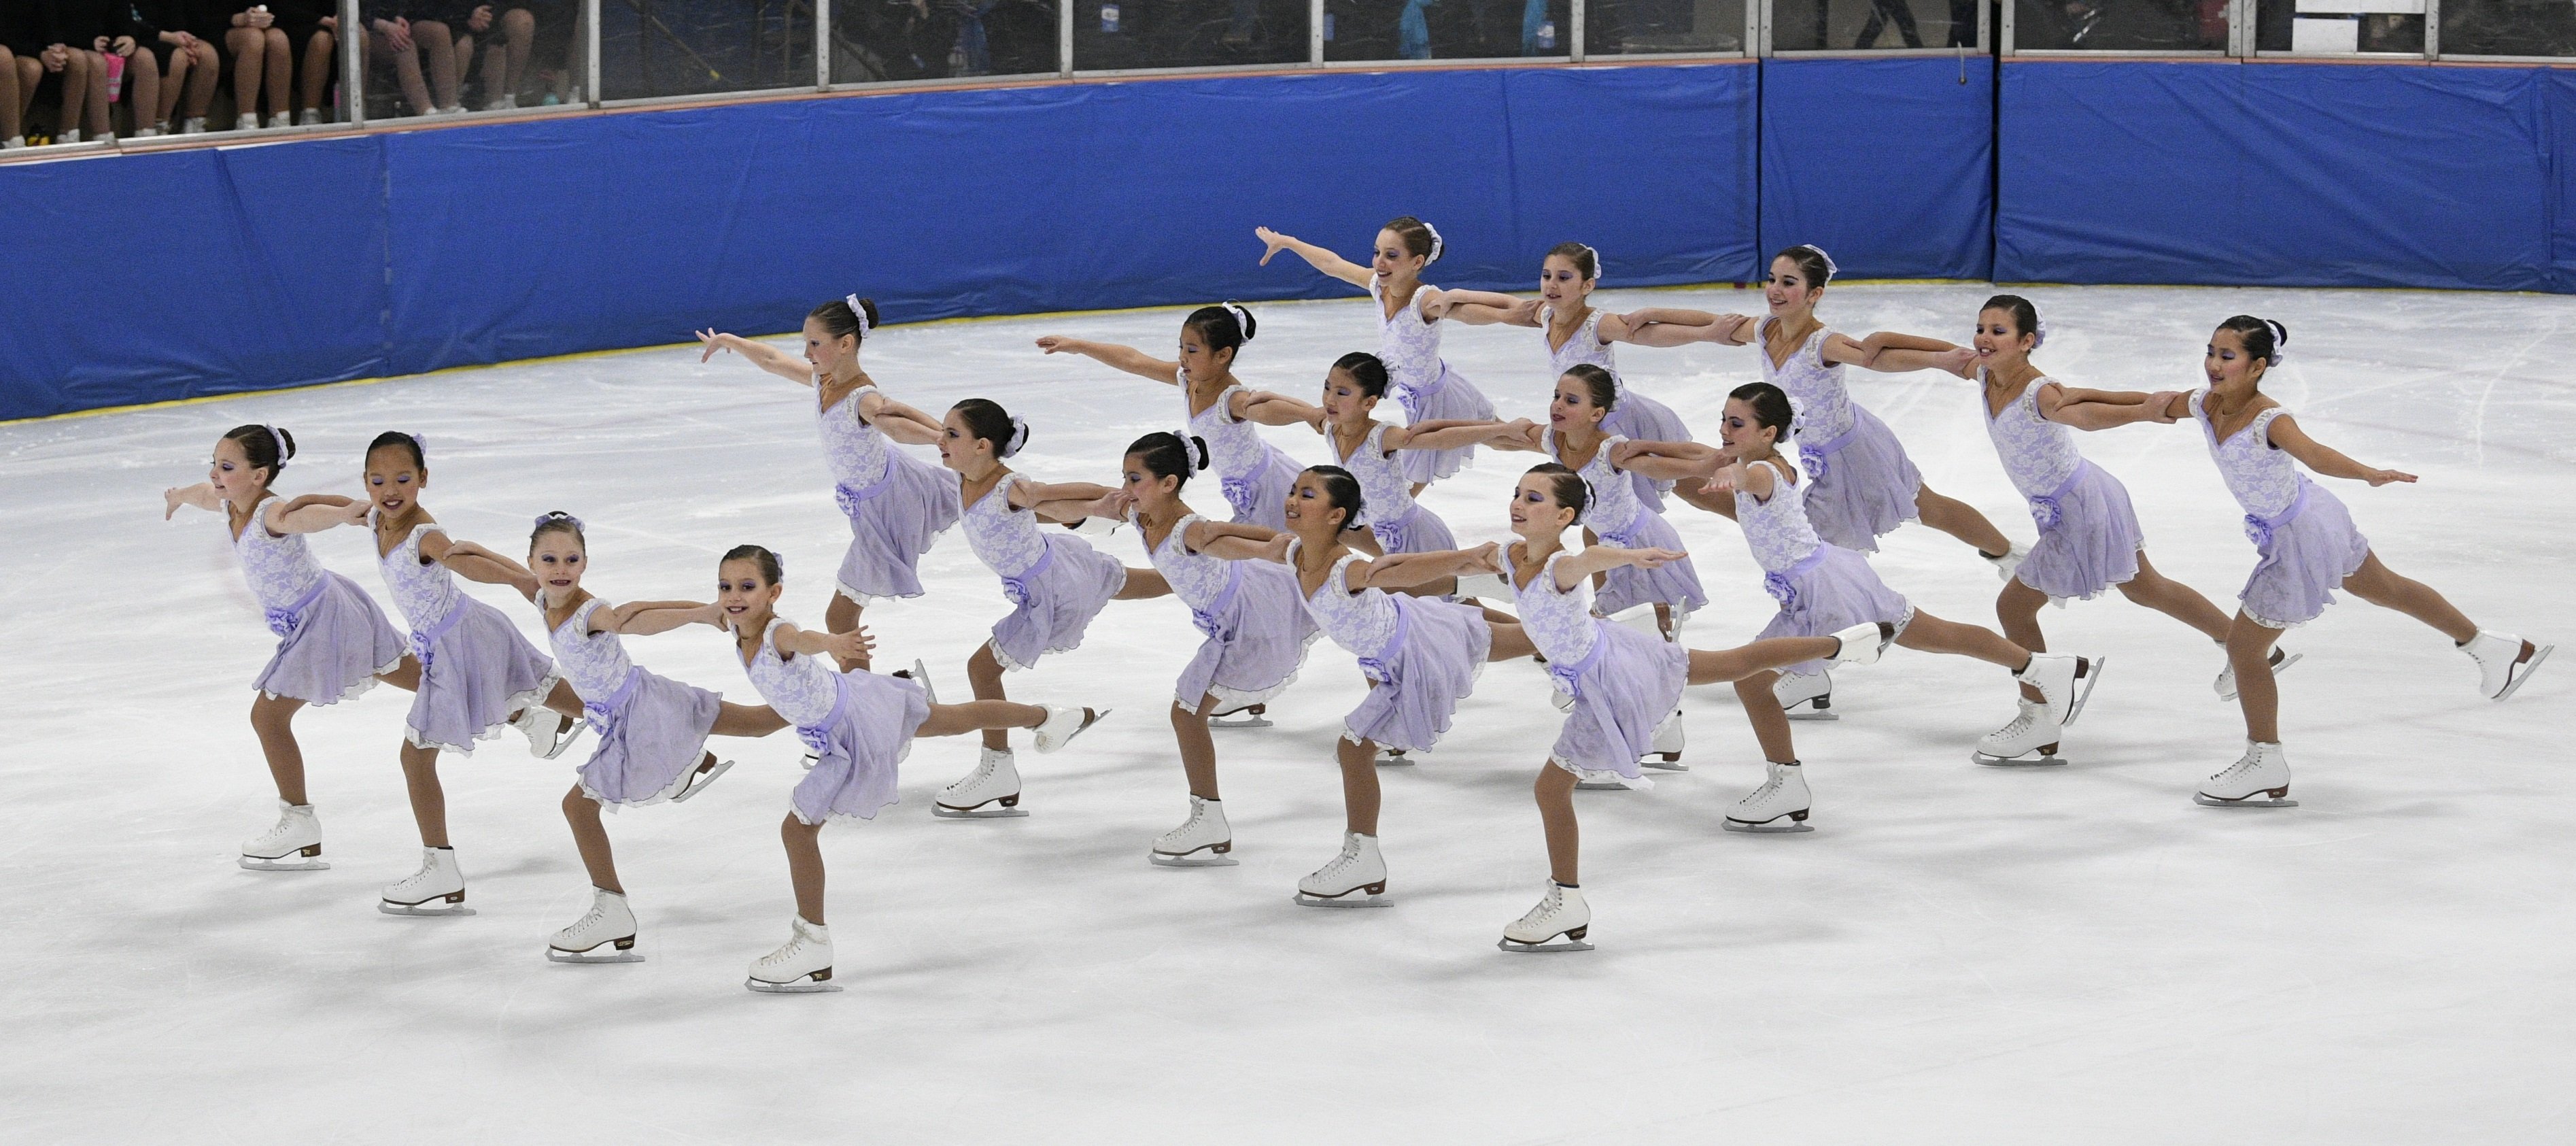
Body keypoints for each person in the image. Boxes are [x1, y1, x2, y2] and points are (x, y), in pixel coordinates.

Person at [2049, 316, 2551, 807]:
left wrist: (2367, 473)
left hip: (2300, 534)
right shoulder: (2205, 403)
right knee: (2386, 588)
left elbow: (2314, 453)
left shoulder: (2270, 418)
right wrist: (2081, 392)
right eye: (2210, 352)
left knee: (2246, 650)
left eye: (2227, 356)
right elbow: (2150, 402)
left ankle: (2264, 761)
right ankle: (2491, 646)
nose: (2213, 364)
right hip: (2306, 517)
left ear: (2257, 366)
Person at [627, 545, 1102, 991]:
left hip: (849, 731)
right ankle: (1052, 715)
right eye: (725, 586)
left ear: (773, 594)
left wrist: (833, 640)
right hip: (856, 703)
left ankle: (812, 942)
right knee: (955, 718)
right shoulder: (734, 620)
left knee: (798, 830)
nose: (733, 597)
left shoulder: (776, 631)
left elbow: (802, 638)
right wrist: (685, 613)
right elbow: (669, 615)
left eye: (747, 587)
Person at [1645, 384, 2103, 832]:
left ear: (1768, 433)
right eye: (1724, 419)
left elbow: (1741, 477)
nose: (1724, 429)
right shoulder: (1749, 457)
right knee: (1937, 636)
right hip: (1834, 578)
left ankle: (1786, 783)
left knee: (1750, 682)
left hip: (1823, 596)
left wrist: (1725, 472)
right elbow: (1692, 453)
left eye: (1736, 423)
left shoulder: (1763, 471)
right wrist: (1630, 451)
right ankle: (2042, 666)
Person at [1853, 294, 2286, 764]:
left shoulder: (2038, 391)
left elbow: (2082, 415)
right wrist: (1886, 343)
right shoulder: (1982, 371)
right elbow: (1922, 356)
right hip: (2080, 495)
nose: (1983, 339)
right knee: (2144, 586)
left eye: (1998, 332)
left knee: (2014, 607)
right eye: (1980, 328)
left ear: (2026, 342)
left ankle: (2039, 716)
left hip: (2078, 509)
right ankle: (2241, 644)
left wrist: (2143, 412)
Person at [1476, 463, 1888, 951]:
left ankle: (1565, 900)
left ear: (1564, 515)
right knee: (1734, 663)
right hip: (1621, 654)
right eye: (1518, 493)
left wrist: (1631, 555)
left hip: (1612, 676)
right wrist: (1383, 574)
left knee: (1551, 788)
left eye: (1533, 499)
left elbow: (1591, 558)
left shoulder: (1561, 565)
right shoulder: (1509, 554)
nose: (1518, 504)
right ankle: (1839, 645)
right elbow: (1457, 563)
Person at [445, 511, 795, 964]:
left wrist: (700, 613)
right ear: (532, 561)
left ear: (585, 563)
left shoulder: (589, 613)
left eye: (571, 559)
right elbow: (500, 572)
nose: (560, 569)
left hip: (640, 715)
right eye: (549, 559)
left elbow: (630, 619)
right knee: (759, 722)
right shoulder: (540, 593)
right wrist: (449, 554)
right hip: (633, 705)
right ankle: (839, 705)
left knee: (578, 806)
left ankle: (611, 908)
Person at [1211, 466, 1540, 908]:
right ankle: (1601, 635)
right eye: (1293, 490)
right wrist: (1188, 532)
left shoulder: (1347, 569)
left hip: (1416, 650)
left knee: (1354, 748)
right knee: (1542, 638)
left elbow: (1398, 569)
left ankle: (1362, 857)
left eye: (1307, 495)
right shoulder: (1295, 553)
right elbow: (1239, 541)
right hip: (1406, 638)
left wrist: (1470, 557)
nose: (1291, 499)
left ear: (1335, 515)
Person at [330, 431, 588, 915]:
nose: (391, 489)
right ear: (366, 482)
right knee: (558, 692)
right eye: (378, 480)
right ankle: (634, 732)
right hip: (459, 633)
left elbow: (461, 556)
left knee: (416, 756)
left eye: (403, 479)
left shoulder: (422, 534)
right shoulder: (376, 518)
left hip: (459, 641)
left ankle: (441, 869)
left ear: (423, 479)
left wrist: (520, 578)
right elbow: (338, 506)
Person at [160, 424, 414, 873]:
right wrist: (178, 495)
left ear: (259, 475)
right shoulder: (230, 501)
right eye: (215, 463)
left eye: (226, 466)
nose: (215, 474)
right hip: (323, 612)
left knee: (268, 717)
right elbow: (204, 493)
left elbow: (305, 515)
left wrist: (348, 513)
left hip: (320, 623)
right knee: (424, 679)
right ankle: (520, 706)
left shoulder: (270, 514)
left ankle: (298, 822)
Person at [1067, 433, 1320, 865]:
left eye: (1135, 479)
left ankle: (1208, 822)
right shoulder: (1144, 513)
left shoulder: (1190, 531)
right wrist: (1024, 504)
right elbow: (1090, 498)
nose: (1126, 489)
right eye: (1125, 477)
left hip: (1252, 620)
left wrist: (1285, 548)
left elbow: (1230, 540)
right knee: (1187, 712)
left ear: (1169, 483)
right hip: (1240, 608)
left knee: (1186, 713)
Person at [698, 297, 959, 673]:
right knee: (981, 503)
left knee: (839, 619)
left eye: (815, 343)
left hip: (890, 501)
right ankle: (1070, 515)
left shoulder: (861, 396)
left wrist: (942, 441)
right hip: (875, 495)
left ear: (845, 344)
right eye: (806, 343)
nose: (806, 352)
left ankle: (865, 699)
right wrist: (730, 341)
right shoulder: (824, 379)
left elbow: (892, 422)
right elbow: (774, 361)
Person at [933, 399, 1133, 818]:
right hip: (1051, 565)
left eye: (953, 434)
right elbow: (1039, 513)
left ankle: (997, 770)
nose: (941, 440)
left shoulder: (1012, 486)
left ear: (983, 445)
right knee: (1125, 581)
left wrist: (1114, 501)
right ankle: (1203, 578)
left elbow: (1047, 497)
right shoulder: (967, 477)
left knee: (982, 670)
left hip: (1045, 586)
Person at [1435, 241, 1698, 493]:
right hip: (1579, 420)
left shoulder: (1598, 324)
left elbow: (1650, 335)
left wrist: (1709, 331)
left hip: (1618, 421)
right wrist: (1458, 294)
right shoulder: (1546, 315)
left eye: (1564, 278)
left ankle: (1735, 486)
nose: (1552, 285)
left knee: (1694, 489)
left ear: (1587, 286)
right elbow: (1507, 304)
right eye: (1547, 276)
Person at [1256, 217, 1500, 488]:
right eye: (1377, 252)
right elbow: (1332, 265)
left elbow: (1467, 312)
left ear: (1417, 262)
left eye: (1391, 256)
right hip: (1415, 394)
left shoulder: (1425, 300)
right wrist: (1288, 242)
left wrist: (1518, 315)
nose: (1380, 262)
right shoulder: (1379, 287)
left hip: (1436, 400)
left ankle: (1545, 440)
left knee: (1415, 482)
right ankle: (1544, 439)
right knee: (1500, 437)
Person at [1033, 303, 1312, 530]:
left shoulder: (1231, 398)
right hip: (1245, 488)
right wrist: (1081, 346)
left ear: (1223, 355)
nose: (1182, 357)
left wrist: (1310, 415)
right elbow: (1136, 361)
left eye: (1192, 351)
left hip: (1271, 490)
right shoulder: (1190, 381)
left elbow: (1265, 410)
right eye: (1181, 347)